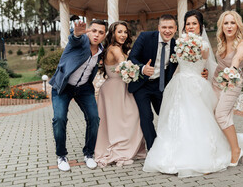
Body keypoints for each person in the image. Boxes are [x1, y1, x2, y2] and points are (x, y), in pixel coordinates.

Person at [143, 10, 232, 178]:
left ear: (200, 26)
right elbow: (175, 65)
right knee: (177, 118)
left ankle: (200, 157)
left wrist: (203, 68)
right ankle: (173, 156)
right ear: (184, 26)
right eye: (188, 24)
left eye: (194, 23)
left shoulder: (203, 45)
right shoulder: (178, 42)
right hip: (179, 83)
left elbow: (205, 62)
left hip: (196, 85)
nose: (191, 27)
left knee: (197, 119)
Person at [49, 19, 107, 172]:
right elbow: (73, 39)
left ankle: (89, 154)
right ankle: (61, 155)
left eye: (101, 32)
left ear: (104, 35)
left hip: (84, 88)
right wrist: (75, 34)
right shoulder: (80, 41)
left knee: (94, 118)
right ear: (88, 31)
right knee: (59, 118)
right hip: (63, 87)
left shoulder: (102, 51)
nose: (96, 35)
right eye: (94, 31)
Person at [94, 21, 146, 167]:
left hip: (118, 87)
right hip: (115, 88)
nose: (123, 35)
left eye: (125, 32)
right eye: (119, 32)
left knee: (119, 119)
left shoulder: (116, 48)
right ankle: (120, 150)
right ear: (113, 34)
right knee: (123, 119)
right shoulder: (115, 49)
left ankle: (126, 147)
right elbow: (124, 64)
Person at [127, 14, 178, 150]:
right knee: (147, 116)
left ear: (175, 29)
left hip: (160, 85)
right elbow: (132, 58)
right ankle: (153, 148)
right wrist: (143, 68)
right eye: (164, 27)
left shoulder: (176, 45)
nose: (167, 31)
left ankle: (168, 144)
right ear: (159, 28)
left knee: (166, 115)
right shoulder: (145, 37)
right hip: (142, 84)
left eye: (170, 27)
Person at [212, 11, 243, 166]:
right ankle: (222, 148)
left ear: (237, 25)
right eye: (226, 23)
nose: (229, 26)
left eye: (232, 23)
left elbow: (237, 58)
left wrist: (232, 70)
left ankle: (236, 150)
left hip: (232, 82)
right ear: (222, 26)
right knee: (213, 112)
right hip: (215, 81)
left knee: (221, 115)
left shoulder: (242, 44)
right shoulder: (221, 42)